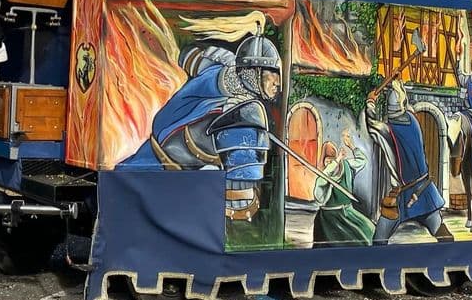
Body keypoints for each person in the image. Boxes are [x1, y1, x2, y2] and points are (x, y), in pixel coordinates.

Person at [117, 29, 281, 221]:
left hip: (163, 178)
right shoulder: (240, 105)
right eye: (271, 73)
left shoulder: (229, 90)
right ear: (255, 71)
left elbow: (190, 57)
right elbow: (240, 202)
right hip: (154, 168)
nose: (277, 82)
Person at [365, 80, 453, 244]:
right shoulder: (413, 121)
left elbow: (371, 124)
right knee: (439, 230)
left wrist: (370, 101)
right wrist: (397, 84)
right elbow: (408, 106)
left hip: (404, 197)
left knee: (379, 240)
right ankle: (453, 255)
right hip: (424, 192)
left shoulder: (388, 131)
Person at [312, 133, 374, 247]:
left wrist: (351, 146)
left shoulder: (346, 165)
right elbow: (320, 187)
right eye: (327, 161)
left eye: (332, 159)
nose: (329, 163)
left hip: (347, 213)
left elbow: (362, 160)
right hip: (329, 218)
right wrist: (336, 161)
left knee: (369, 229)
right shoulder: (324, 175)